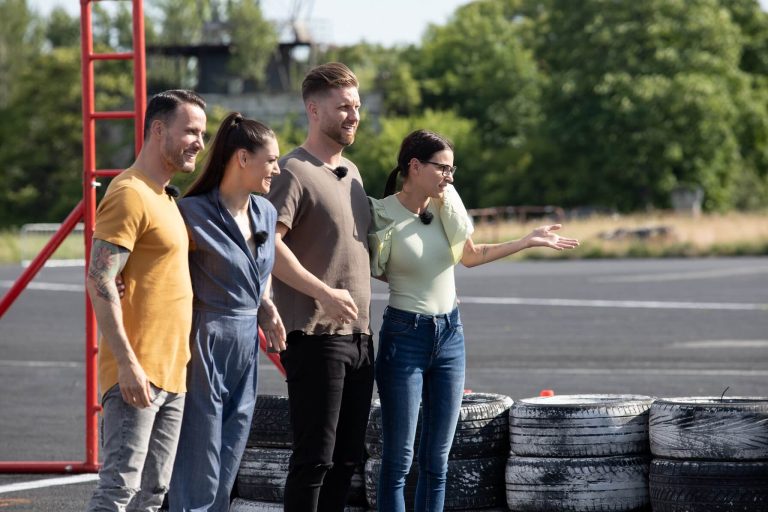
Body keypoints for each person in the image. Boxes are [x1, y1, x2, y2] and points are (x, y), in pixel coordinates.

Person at [369, 129, 580, 512]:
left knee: (437, 462)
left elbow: (471, 254)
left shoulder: (445, 205)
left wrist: (526, 240)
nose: (450, 177)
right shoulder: (382, 213)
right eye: (443, 168)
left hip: (450, 337)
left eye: (453, 169)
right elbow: (371, 269)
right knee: (399, 461)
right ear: (414, 167)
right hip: (405, 337)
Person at [85, 89, 207, 511]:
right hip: (137, 373)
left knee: (152, 496)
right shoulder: (130, 193)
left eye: (203, 133)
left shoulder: (165, 196)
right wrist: (127, 363)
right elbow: (99, 278)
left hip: (172, 375)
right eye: (190, 130)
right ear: (158, 130)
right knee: (119, 492)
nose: (199, 142)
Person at [265, 62, 374, 512]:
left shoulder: (353, 173)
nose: (353, 115)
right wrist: (324, 293)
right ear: (313, 109)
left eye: (357, 106)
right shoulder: (292, 170)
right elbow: (269, 246)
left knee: (348, 459)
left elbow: (358, 252)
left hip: (362, 337)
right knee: (315, 460)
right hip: (314, 336)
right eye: (342, 106)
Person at [168, 112, 286, 511]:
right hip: (204, 339)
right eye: (270, 159)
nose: (277, 168)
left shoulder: (266, 213)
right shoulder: (190, 213)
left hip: (247, 346)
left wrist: (266, 306)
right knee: (199, 462)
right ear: (241, 158)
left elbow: (261, 274)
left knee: (229, 460)